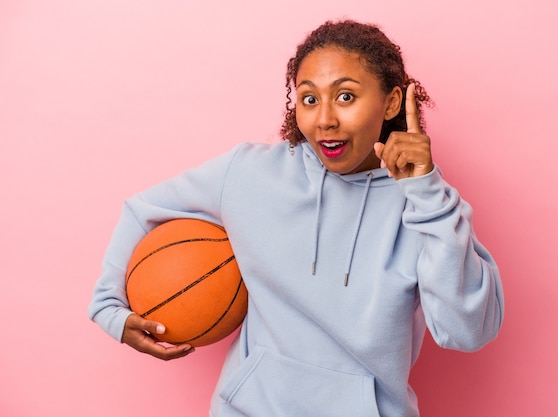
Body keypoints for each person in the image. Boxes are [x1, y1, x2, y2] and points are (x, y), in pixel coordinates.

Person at [89, 19, 504, 417]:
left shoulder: (426, 205)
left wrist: (426, 194)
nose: (324, 119)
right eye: (309, 98)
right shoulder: (250, 172)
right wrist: (110, 309)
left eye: (345, 96)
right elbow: (142, 209)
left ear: (391, 101)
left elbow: (466, 332)